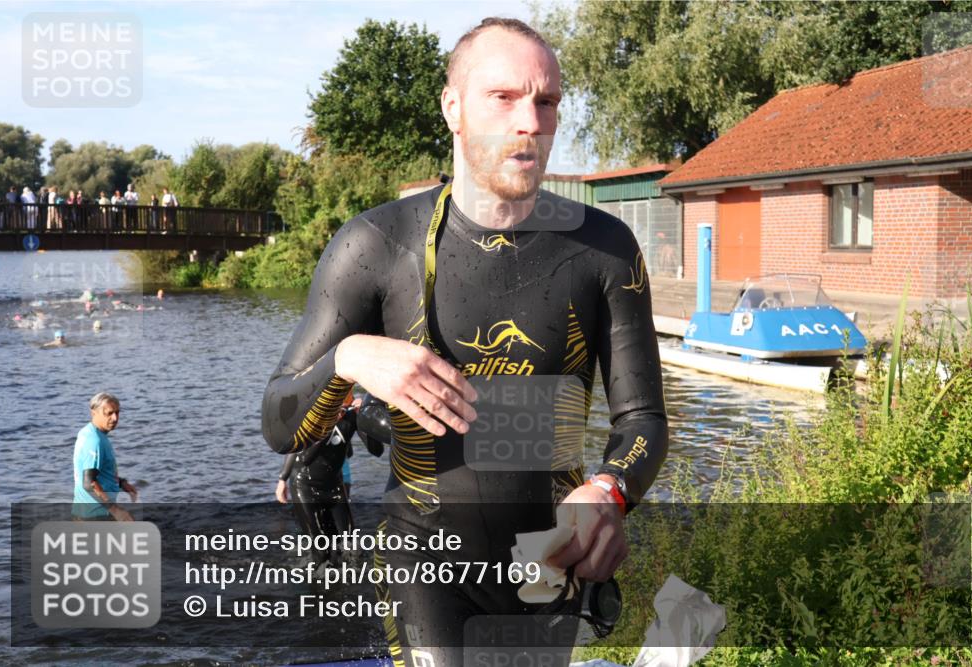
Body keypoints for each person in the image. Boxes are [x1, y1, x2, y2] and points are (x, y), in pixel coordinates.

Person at [261, 17, 668, 665]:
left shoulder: (605, 249)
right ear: (453, 108)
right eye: (503, 98)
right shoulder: (375, 244)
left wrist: (610, 490)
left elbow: (643, 419)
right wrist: (348, 358)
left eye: (547, 101)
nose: (530, 121)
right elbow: (281, 422)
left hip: (549, 565)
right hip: (425, 564)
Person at [275, 391, 358, 569]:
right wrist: (283, 478)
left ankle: (347, 587)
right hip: (305, 485)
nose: (344, 403)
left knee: (349, 545)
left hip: (334, 485)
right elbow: (303, 456)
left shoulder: (349, 417)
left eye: (347, 398)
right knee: (322, 550)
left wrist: (366, 413)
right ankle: (317, 588)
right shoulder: (313, 418)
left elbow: (365, 450)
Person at [72, 392, 137, 520]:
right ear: (94, 413)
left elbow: (98, 472)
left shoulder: (89, 432)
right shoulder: (94, 441)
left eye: (117, 413)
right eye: (109, 413)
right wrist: (115, 510)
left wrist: (121, 483)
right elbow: (89, 482)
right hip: (95, 516)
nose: (115, 418)